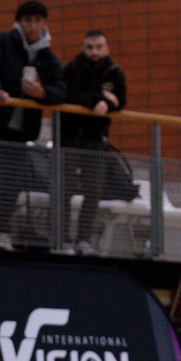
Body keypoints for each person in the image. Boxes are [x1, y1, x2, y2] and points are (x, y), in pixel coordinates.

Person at [0, 0, 66, 251]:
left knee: (12, 183)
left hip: (22, 131)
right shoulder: (0, 41)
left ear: (44, 24)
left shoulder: (47, 57)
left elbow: (60, 89)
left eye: (37, 20)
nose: (32, 25)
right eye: (28, 20)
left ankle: (0, 232)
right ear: (19, 22)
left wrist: (42, 93)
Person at [59, 30, 127, 253]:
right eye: (89, 47)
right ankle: (62, 239)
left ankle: (84, 239)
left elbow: (121, 99)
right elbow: (70, 94)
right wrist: (101, 99)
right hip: (70, 138)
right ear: (83, 48)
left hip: (97, 139)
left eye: (99, 47)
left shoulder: (115, 71)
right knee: (64, 190)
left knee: (94, 191)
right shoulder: (72, 68)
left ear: (107, 48)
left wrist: (108, 104)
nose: (94, 51)